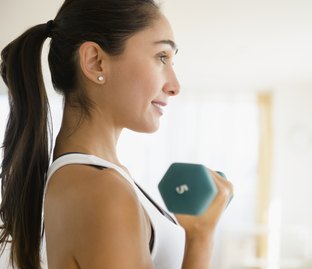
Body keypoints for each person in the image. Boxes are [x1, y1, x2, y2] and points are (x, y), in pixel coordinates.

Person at [0, 0, 233, 268]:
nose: (175, 85)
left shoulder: (97, 179)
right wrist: (201, 237)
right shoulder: (102, 190)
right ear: (95, 62)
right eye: (161, 57)